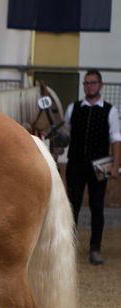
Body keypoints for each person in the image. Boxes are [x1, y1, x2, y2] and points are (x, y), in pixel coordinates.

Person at [64, 69, 121, 265]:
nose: (89, 86)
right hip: (75, 165)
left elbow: (116, 139)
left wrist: (115, 165)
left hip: (100, 166)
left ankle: (95, 249)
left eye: (93, 83)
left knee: (97, 207)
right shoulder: (73, 108)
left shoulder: (110, 111)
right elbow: (65, 135)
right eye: (86, 83)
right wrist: (54, 151)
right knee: (72, 207)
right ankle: (68, 249)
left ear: (100, 85)